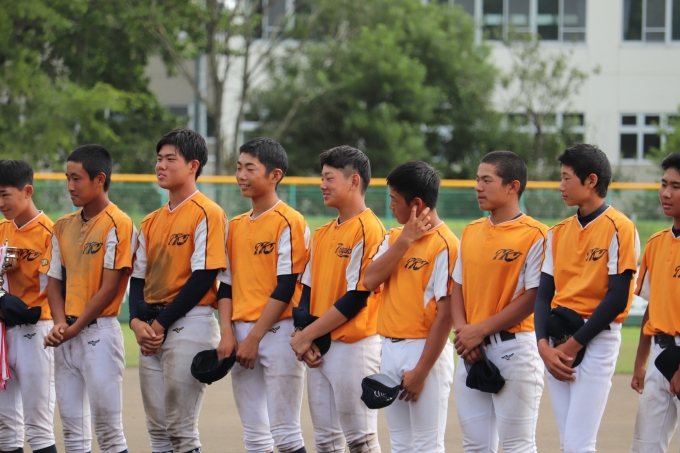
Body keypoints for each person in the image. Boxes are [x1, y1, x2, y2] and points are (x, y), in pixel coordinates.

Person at [534, 143, 640, 453]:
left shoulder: (619, 227)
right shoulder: (557, 232)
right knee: (569, 442)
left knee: (578, 443)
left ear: (591, 180)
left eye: (566, 178)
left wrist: (573, 345)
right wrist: (543, 346)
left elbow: (617, 297)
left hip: (596, 336)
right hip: (557, 337)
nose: (560, 186)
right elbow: (543, 295)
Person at [129, 129, 227, 453]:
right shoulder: (150, 221)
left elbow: (203, 277)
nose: (161, 165)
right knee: (158, 431)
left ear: (193, 165)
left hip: (189, 323)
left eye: (170, 159)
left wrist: (159, 324)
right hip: (152, 329)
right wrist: (136, 322)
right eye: (159, 159)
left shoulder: (207, 212)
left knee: (181, 431)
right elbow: (138, 279)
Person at [215, 138, 309, 453]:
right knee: (255, 436)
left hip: (278, 332)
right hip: (240, 332)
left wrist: (254, 338)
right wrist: (227, 333)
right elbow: (225, 286)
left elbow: (286, 286)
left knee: (286, 434)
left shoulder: (289, 221)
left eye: (250, 168)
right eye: (238, 167)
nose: (241, 175)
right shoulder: (234, 226)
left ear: (274, 175)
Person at [290, 145, 385, 453]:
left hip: (354, 346)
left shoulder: (369, 229)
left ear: (354, 181)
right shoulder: (321, 233)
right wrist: (304, 332)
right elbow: (305, 291)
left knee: (361, 439)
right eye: (322, 177)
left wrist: (307, 335)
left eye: (329, 178)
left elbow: (356, 297)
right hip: (320, 345)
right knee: (327, 441)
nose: (322, 185)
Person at [451, 151, 547, 453]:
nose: (478, 187)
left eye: (486, 180)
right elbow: (457, 287)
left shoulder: (537, 234)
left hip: (514, 350)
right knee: (475, 446)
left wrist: (477, 331)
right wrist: (464, 333)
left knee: (517, 446)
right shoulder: (470, 231)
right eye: (477, 180)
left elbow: (534, 296)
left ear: (512, 186)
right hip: (470, 351)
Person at [42, 145, 134, 453]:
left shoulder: (118, 222)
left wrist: (75, 327)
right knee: (72, 433)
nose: (70, 186)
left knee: (108, 432)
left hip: (98, 333)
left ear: (100, 179)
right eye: (67, 178)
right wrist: (59, 323)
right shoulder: (62, 226)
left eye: (77, 178)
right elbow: (53, 282)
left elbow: (109, 288)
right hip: (66, 334)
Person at [363, 161, 457, 452]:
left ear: (416, 204)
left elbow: (446, 316)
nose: (390, 206)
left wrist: (422, 371)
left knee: (427, 445)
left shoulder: (446, 244)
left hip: (424, 351)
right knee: (401, 444)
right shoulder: (394, 237)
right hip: (389, 348)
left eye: (394, 199)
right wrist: (405, 240)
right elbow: (369, 280)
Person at [0, 160, 56, 453]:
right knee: (5, 428)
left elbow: (56, 289)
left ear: (27, 191)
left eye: (4, 194)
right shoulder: (1, 230)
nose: (0, 203)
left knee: (38, 427)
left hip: (37, 332)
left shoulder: (50, 233)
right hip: (3, 335)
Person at [630, 152, 680, 453]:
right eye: (664, 184)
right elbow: (652, 306)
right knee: (645, 447)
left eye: (676, 186)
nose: (666, 193)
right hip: (660, 356)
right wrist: (640, 362)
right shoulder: (656, 243)